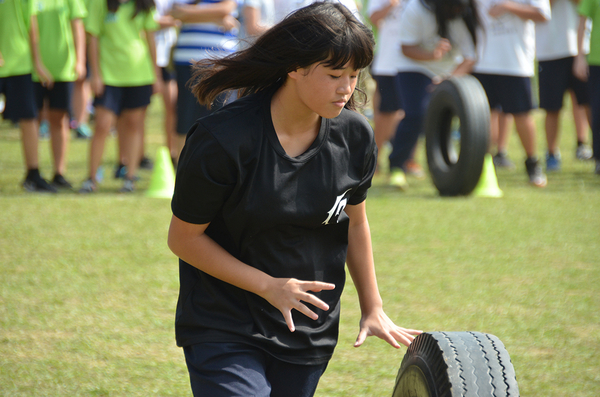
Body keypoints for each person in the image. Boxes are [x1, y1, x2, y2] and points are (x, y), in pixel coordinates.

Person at [167, 3, 421, 396]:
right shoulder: (224, 139)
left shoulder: (355, 137)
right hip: (224, 324)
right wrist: (268, 286)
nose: (347, 89)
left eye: (354, 75)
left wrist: (372, 306)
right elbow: (183, 238)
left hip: (307, 332)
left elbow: (355, 222)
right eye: (335, 74)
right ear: (294, 67)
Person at [387, 0, 480, 190]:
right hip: (413, 66)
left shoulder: (462, 12)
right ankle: (397, 166)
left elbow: (470, 57)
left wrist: (448, 78)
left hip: (448, 72)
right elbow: (407, 48)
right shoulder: (416, 8)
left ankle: (444, 165)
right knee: (415, 115)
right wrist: (433, 55)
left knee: (446, 116)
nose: (457, 10)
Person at [79, 0, 160, 193]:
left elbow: (150, 39)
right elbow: (94, 38)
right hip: (108, 76)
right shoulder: (100, 3)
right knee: (102, 125)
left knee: (133, 125)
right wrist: (95, 74)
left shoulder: (144, 5)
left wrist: (156, 74)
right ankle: (91, 178)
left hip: (139, 74)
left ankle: (130, 177)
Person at [472, 0, 550, 187]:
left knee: (522, 115)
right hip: (481, 62)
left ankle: (533, 164)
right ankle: (481, 167)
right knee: (482, 117)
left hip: (515, 63)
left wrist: (508, 7)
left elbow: (543, 15)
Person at [168, 0, 239, 163]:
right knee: (185, 121)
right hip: (187, 63)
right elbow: (176, 12)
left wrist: (190, 14)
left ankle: (215, 173)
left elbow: (227, 7)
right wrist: (215, 17)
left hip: (222, 64)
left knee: (221, 121)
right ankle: (183, 173)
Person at [0, 0, 56, 192]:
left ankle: (33, 174)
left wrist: (38, 62)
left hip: (19, 63)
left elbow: (31, 24)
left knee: (29, 118)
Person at [33, 0, 88, 189]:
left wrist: (80, 60)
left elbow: (78, 28)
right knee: (33, 120)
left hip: (63, 69)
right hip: (33, 68)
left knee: (59, 119)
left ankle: (59, 172)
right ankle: (33, 172)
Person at [536, 0, 593, 172]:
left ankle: (587, 146)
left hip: (581, 50)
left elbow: (585, 6)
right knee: (552, 106)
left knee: (588, 103)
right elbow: (540, 10)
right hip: (549, 51)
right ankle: (552, 153)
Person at [367, 0, 407, 175]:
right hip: (389, 63)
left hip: (415, 63)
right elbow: (373, 18)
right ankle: (374, 159)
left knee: (409, 114)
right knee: (386, 113)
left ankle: (406, 159)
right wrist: (391, 5)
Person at [574, 0, 600, 175]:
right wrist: (580, 57)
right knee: (597, 112)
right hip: (596, 62)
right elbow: (582, 24)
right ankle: (599, 158)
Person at [155, 0, 180, 164]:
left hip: (169, 58)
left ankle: (172, 153)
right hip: (149, 57)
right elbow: (148, 22)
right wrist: (176, 19)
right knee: (136, 113)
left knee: (172, 107)